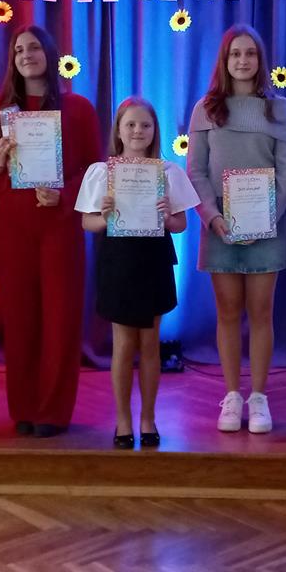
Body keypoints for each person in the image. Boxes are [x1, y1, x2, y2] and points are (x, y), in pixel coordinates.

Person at [0, 25, 102, 438]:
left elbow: (94, 169)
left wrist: (64, 195)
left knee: (60, 319)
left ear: (49, 54)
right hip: (13, 225)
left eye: (33, 48)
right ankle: (24, 407)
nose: (26, 55)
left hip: (59, 224)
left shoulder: (79, 109)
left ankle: (52, 410)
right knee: (20, 319)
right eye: (18, 50)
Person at [187, 24, 286, 434]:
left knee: (262, 312)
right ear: (225, 60)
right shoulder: (205, 108)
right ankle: (232, 395)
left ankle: (259, 397)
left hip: (268, 225)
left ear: (260, 60)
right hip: (219, 227)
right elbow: (196, 171)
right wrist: (213, 217)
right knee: (228, 312)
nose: (243, 60)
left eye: (250, 53)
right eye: (235, 54)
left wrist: (267, 217)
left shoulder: (278, 108)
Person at [75, 98, 199, 448]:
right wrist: (105, 215)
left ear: (154, 131)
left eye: (145, 125)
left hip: (154, 259)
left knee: (149, 343)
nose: (137, 131)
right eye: (130, 124)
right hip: (119, 260)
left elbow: (180, 224)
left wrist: (167, 216)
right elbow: (87, 223)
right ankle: (123, 420)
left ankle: (148, 418)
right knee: (123, 343)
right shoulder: (102, 172)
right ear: (118, 130)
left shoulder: (168, 172)